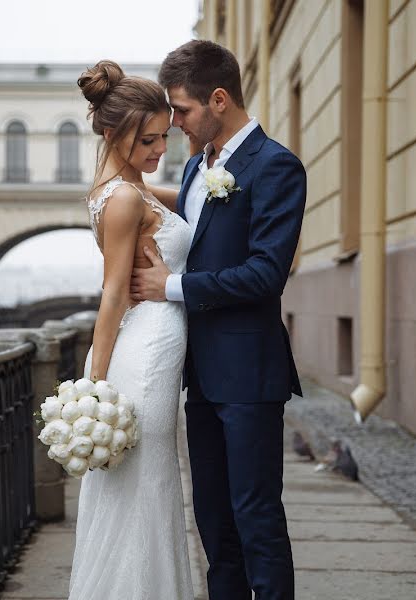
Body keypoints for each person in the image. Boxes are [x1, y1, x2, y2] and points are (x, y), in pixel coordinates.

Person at [131, 40, 306, 600]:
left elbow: (264, 275)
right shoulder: (196, 166)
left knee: (255, 514)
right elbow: (194, 219)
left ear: (220, 99)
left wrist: (171, 287)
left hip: (250, 374)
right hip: (199, 375)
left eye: (182, 110)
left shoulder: (276, 166)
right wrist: (121, 188)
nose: (174, 121)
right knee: (211, 517)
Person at [68, 60, 194, 600]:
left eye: (165, 136)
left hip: (155, 344)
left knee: (149, 483)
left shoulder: (129, 188)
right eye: (147, 140)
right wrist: (93, 386)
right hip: (147, 352)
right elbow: (114, 291)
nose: (160, 150)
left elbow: (191, 200)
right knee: (148, 484)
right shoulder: (123, 199)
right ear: (112, 133)